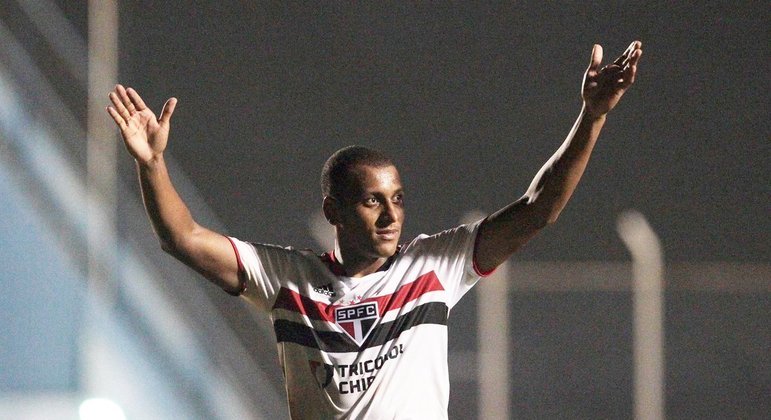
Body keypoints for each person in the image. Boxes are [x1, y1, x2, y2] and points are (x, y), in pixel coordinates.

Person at [107, 41, 643, 419]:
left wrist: (592, 116)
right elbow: (182, 238)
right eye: (372, 201)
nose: (391, 215)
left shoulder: (433, 266)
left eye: (398, 199)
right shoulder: (288, 279)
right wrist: (152, 164)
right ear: (334, 211)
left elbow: (538, 207)